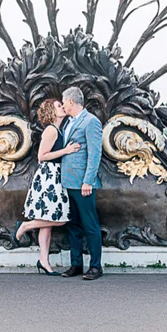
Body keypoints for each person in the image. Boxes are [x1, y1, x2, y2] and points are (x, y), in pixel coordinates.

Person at [16, 98, 81, 275]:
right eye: (59, 106)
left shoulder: (57, 130)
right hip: (49, 176)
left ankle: (44, 261)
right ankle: (25, 226)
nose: (62, 108)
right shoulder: (51, 130)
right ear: (52, 112)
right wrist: (66, 151)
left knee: (47, 224)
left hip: (54, 174)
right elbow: (41, 156)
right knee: (61, 218)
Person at [58, 86, 104, 280]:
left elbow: (95, 154)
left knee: (90, 225)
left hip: (83, 184)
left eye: (63, 100)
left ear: (70, 101)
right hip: (68, 182)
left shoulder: (91, 122)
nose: (62, 104)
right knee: (73, 226)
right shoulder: (68, 122)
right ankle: (76, 264)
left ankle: (95, 266)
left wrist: (88, 181)